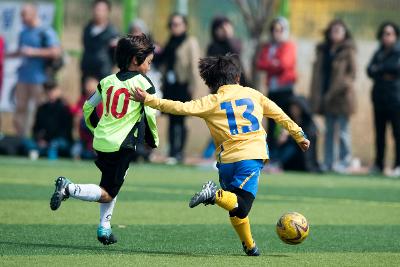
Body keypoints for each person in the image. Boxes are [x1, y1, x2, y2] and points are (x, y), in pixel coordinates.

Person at [133, 54, 310, 256]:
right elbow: (280, 114)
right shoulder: (253, 94)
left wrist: (149, 100)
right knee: (242, 205)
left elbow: (180, 107)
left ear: (214, 83)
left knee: (234, 205)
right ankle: (213, 194)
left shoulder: (212, 101)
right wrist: (299, 135)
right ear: (237, 78)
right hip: (250, 157)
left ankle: (250, 245)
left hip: (226, 161)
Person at [49, 34, 159, 245]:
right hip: (122, 145)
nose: (149, 67)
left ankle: (104, 228)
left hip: (102, 142)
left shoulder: (106, 81)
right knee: (108, 193)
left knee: (111, 183)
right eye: (149, 62)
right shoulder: (143, 83)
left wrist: (95, 128)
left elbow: (87, 107)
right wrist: (153, 140)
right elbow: (151, 113)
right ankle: (69, 188)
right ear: (136, 60)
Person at [310, 19, 356, 172]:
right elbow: (318, 74)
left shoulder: (348, 50)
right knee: (328, 131)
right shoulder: (323, 50)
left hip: (342, 97)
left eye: (339, 30)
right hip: (326, 96)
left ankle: (345, 160)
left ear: (344, 33)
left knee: (343, 131)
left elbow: (352, 74)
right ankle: (328, 161)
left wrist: (339, 87)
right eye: (333, 30)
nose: (335, 33)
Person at [7, 3, 61, 137]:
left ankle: (39, 139)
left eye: (24, 14)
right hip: (23, 77)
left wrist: (34, 52)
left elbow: (55, 52)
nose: (22, 18)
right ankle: (21, 139)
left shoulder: (45, 31)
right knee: (20, 109)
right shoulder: (23, 32)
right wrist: (6, 55)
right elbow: (20, 51)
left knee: (40, 110)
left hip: (40, 78)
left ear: (33, 14)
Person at [154, 13, 201, 164]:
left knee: (181, 120)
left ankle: (180, 151)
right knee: (171, 119)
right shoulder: (170, 42)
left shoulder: (189, 41)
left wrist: (194, 87)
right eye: (173, 24)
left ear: (185, 25)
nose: (175, 27)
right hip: (170, 86)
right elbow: (162, 62)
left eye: (178, 24)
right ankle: (172, 151)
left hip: (183, 86)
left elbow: (194, 66)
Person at [203, 16, 246, 158]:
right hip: (219, 91)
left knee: (236, 123)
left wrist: (229, 37)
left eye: (226, 27)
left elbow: (236, 55)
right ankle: (210, 153)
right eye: (220, 28)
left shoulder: (236, 43)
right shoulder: (212, 47)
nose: (223, 31)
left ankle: (236, 152)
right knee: (221, 122)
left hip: (237, 90)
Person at [256, 17, 297, 157]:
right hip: (272, 90)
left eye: (280, 30)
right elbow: (261, 63)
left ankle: (285, 155)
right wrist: (274, 64)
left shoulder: (289, 46)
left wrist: (272, 64)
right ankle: (271, 154)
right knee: (271, 123)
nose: (276, 33)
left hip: (285, 89)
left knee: (285, 123)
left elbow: (285, 64)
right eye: (274, 30)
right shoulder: (268, 47)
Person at [367, 22, 400, 177]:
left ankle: (398, 164)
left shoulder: (398, 51)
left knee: (397, 133)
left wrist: (379, 70)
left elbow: (395, 68)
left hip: (395, 98)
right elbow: (369, 70)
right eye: (384, 33)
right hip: (379, 98)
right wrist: (382, 71)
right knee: (379, 134)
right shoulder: (378, 52)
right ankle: (379, 164)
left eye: (389, 33)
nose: (386, 36)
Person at [24, 81, 72, 160]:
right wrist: (40, 139)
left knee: (54, 146)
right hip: (44, 141)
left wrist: (49, 141)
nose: (50, 92)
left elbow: (66, 131)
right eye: (48, 90)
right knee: (26, 142)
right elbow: (36, 128)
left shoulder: (65, 108)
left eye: (52, 89)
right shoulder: (41, 109)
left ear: (58, 91)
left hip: (60, 141)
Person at [272, 96, 321, 172]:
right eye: (292, 108)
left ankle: (277, 164)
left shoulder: (308, 123)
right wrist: (282, 137)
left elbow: (308, 139)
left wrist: (291, 135)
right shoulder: (287, 122)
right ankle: (273, 163)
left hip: (302, 155)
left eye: (296, 108)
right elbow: (277, 140)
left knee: (291, 148)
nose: (294, 111)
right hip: (287, 152)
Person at [81, 0, 119, 87]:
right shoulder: (87, 28)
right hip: (86, 73)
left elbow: (115, 57)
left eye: (102, 10)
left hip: (103, 75)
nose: (98, 12)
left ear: (108, 12)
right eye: (97, 9)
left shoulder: (112, 32)